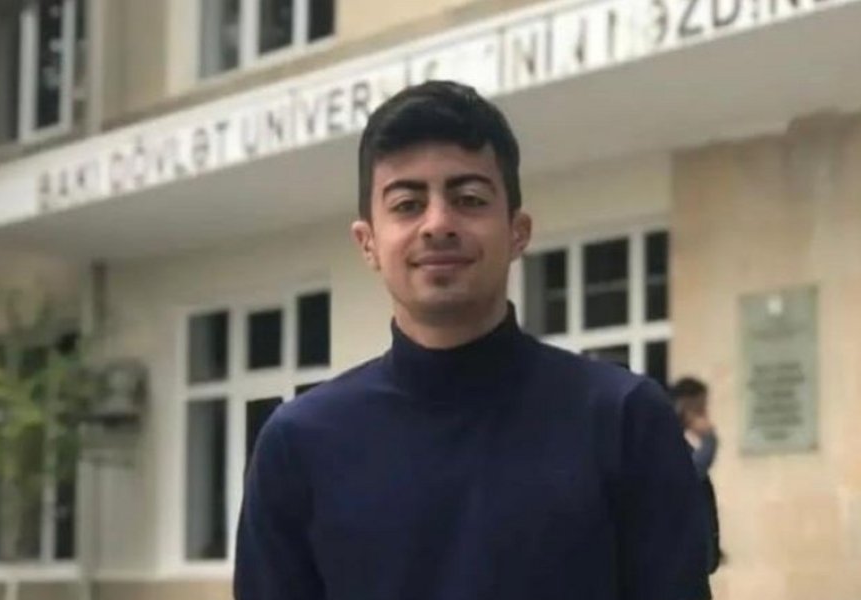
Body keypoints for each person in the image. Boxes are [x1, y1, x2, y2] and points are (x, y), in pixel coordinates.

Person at [234, 80, 711, 600]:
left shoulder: (624, 419)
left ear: (517, 231)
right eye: (407, 204)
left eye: (469, 199)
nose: (438, 224)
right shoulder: (299, 444)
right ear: (367, 242)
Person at [670, 377, 723, 584]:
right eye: (700, 407)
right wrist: (709, 439)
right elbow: (689, 476)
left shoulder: (679, 442)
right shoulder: (664, 440)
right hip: (676, 563)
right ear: (684, 405)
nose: (704, 414)